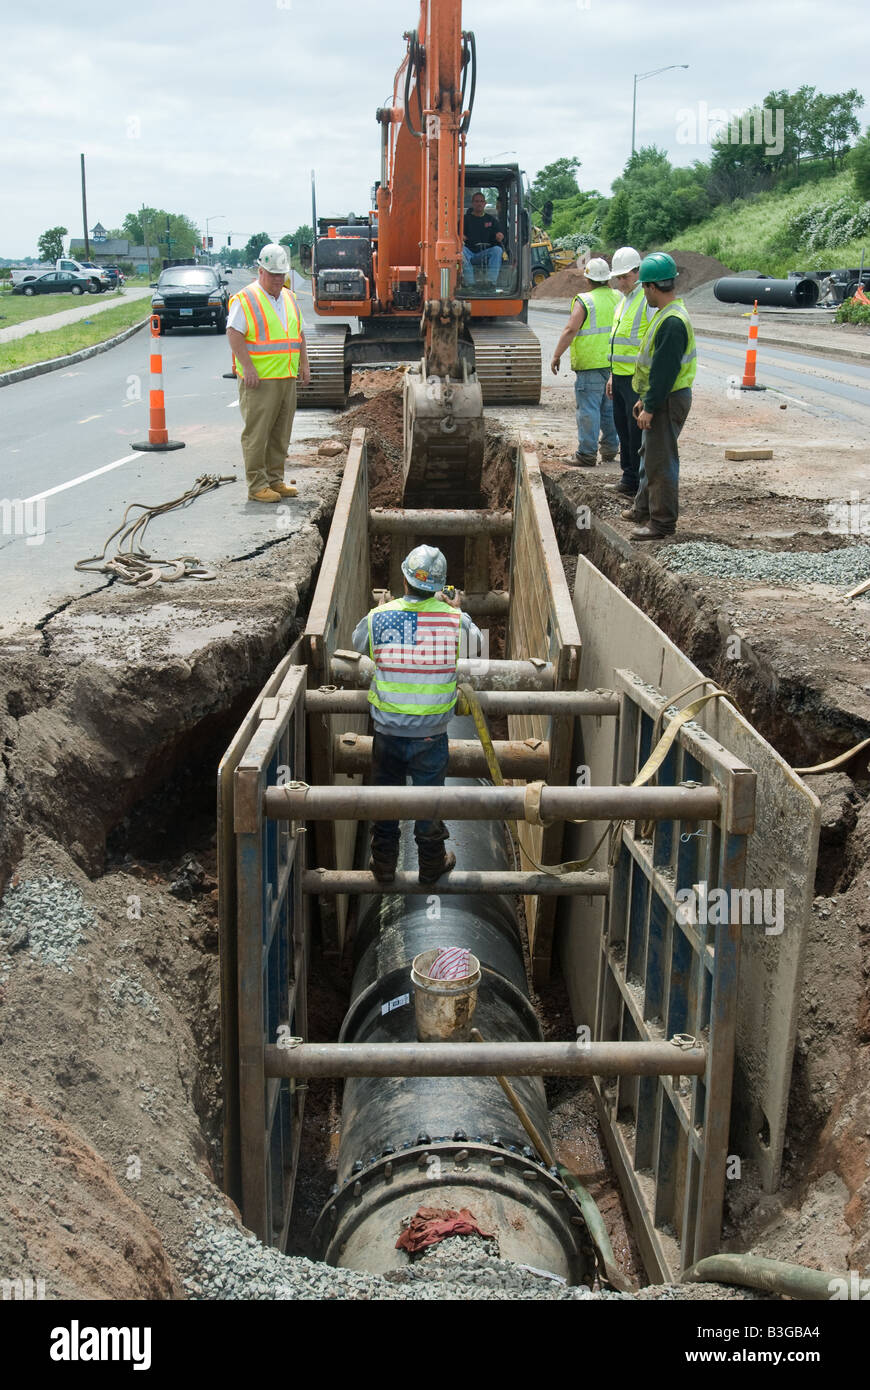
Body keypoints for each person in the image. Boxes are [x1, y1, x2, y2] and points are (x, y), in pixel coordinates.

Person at [351, 545, 482, 886]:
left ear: (404, 580)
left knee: (385, 800)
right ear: (440, 586)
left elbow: (357, 643)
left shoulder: (380, 617)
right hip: (431, 735)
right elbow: (477, 647)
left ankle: (383, 866)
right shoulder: (454, 620)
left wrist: (379, 609)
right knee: (430, 802)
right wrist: (457, 609)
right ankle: (431, 866)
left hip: (387, 734)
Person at [226, 243, 311, 504]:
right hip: (259, 381)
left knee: (280, 433)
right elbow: (234, 332)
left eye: (281, 275)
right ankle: (257, 485)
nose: (277, 279)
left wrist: (304, 364)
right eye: (273, 274)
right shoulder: (247, 298)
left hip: (285, 377)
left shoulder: (288, 297)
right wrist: (248, 367)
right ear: (260, 270)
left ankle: (275, 479)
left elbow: (299, 334)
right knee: (257, 434)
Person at [622, 252, 697, 540]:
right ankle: (644, 507)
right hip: (662, 396)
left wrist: (650, 406)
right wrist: (645, 397)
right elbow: (655, 367)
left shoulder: (672, 322)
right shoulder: (667, 315)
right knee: (649, 454)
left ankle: (662, 523)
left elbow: (665, 372)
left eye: (644, 287)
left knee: (660, 460)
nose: (643, 292)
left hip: (669, 399)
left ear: (653, 287)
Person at [550, 257, 621, 467]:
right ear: (608, 278)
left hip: (590, 363)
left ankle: (587, 454)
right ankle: (610, 449)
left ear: (588, 279)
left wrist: (556, 355)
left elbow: (571, 329)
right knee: (609, 408)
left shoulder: (585, 300)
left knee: (588, 409)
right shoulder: (619, 296)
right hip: (613, 363)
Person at [605, 246, 654, 498]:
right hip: (621, 376)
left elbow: (650, 343)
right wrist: (613, 375)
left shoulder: (646, 300)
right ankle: (628, 477)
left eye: (625, 277)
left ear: (638, 272)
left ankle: (639, 484)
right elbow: (618, 341)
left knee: (636, 435)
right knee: (623, 430)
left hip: (637, 379)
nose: (621, 281)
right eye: (618, 277)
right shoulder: (623, 301)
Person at [462, 191, 505, 287]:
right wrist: (460, 237)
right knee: (461, 251)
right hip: (469, 253)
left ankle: (490, 282)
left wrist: (499, 236)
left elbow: (499, 234)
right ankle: (470, 283)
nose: (479, 203)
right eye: (476, 201)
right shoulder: (465, 219)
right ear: (472, 203)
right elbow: (457, 235)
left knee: (497, 250)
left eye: (481, 201)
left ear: (485, 203)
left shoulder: (491, 220)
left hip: (484, 253)